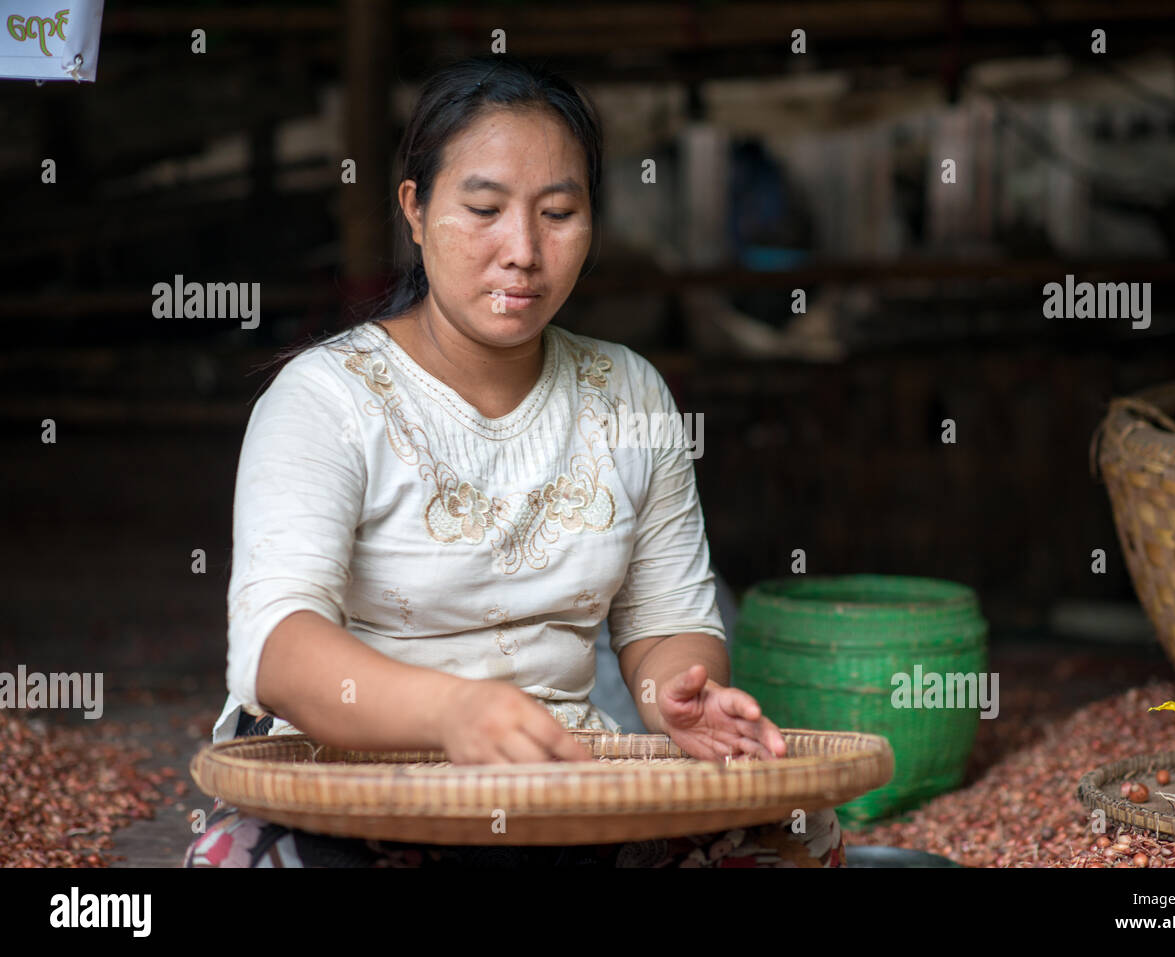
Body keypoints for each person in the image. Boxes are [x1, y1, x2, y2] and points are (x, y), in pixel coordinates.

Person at [184, 54, 845, 868]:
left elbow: (667, 623)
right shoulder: (326, 398)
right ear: (416, 210)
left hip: (555, 775)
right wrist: (453, 713)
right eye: (484, 208)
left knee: (794, 830)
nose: (523, 250)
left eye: (559, 212)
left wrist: (682, 695)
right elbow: (278, 648)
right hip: (344, 776)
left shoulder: (627, 391)